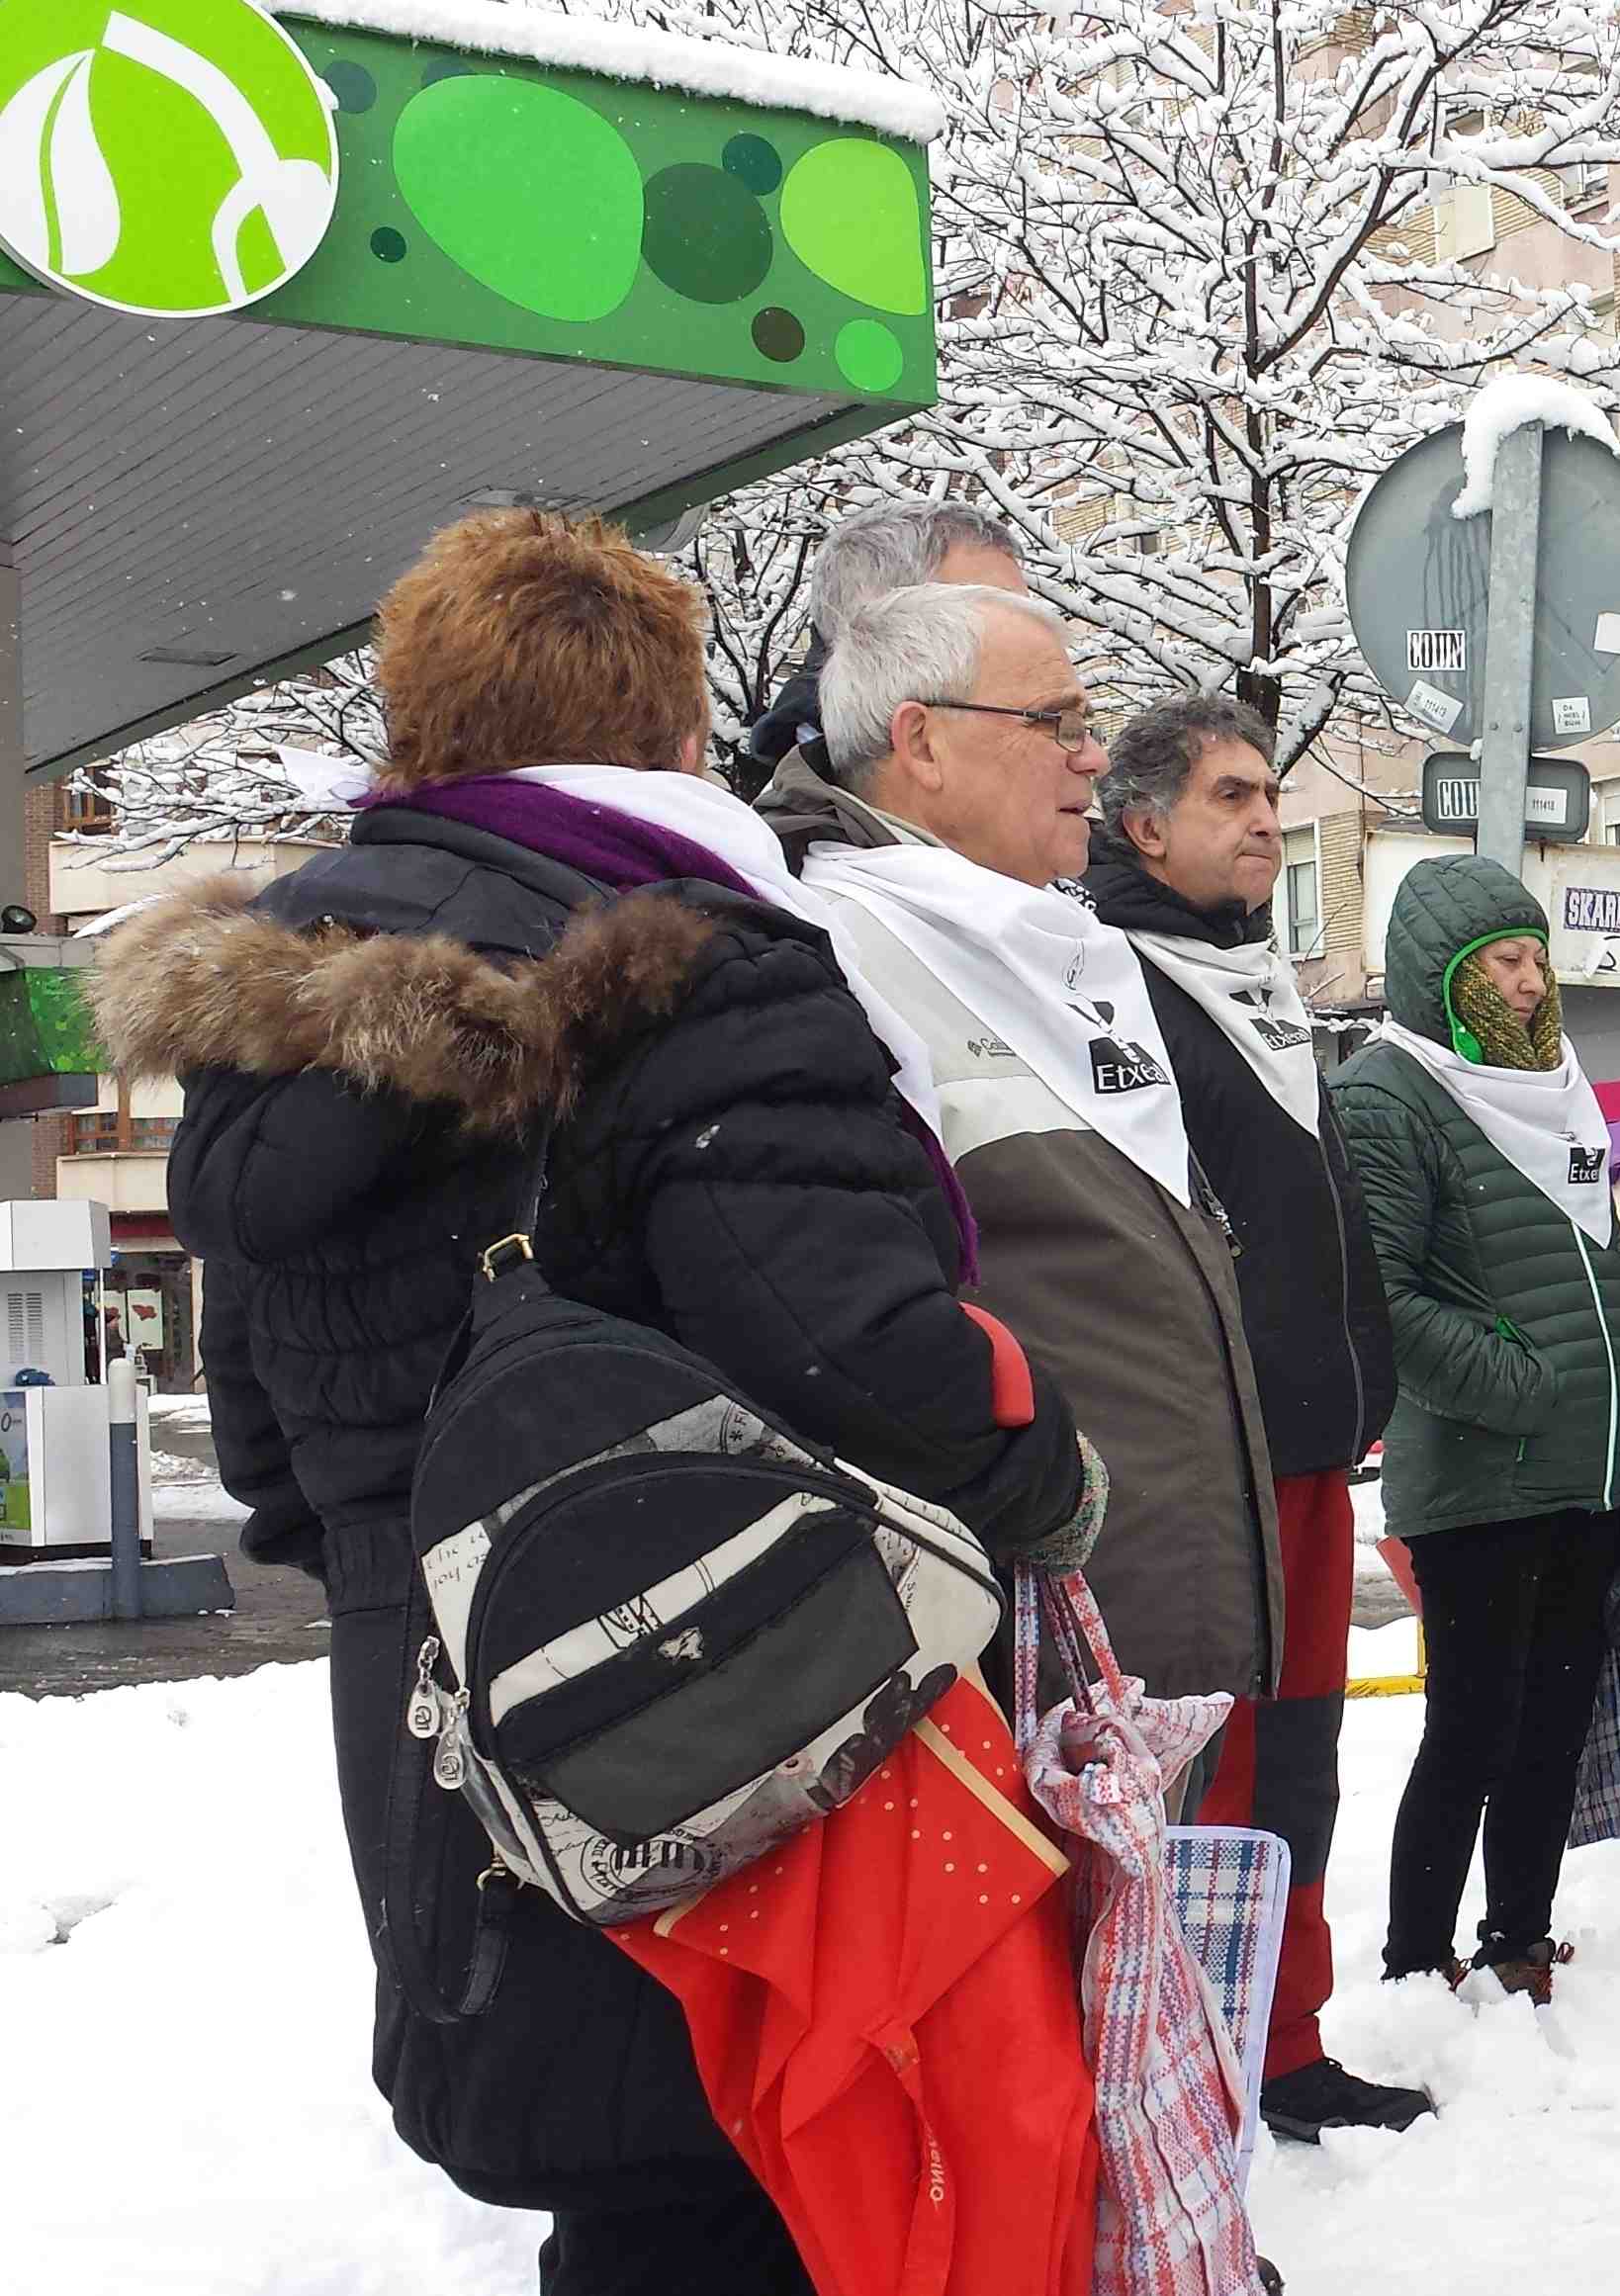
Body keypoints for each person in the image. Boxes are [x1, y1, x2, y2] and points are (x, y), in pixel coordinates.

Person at [95, 510, 1099, 2295]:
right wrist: (1050, 1475)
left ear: (417, 728)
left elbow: (260, 1438)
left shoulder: (266, 1015)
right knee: (765, 2180)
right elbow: (861, 1353)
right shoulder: (678, 964)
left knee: (622, 2194)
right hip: (735, 1731)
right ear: (673, 728)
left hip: (448, 1732)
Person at [763, 585, 1283, 1713]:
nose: (1092, 762)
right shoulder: (821, 946)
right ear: (922, 742)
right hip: (1005, 1655)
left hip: (1146, 1632)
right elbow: (844, 1329)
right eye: (1056, 724)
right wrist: (1042, 1509)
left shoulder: (1057, 942)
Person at [1079, 693, 1424, 2137]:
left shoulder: (1256, 979)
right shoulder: (1112, 977)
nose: (1266, 819)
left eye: (1269, 793)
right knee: (1211, 1773)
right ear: (1145, 826)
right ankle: (1194, 2052)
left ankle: (1286, 2040)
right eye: (1231, 797)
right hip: (1203, 1457)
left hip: (1305, 1444)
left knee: (1301, 1757)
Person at [1331, 856, 1620, 2000]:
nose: (1530, 986)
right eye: (1504, 965)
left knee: (1554, 1729)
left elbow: (1599, 1254)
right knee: (1471, 1733)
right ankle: (1416, 1962)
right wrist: (1521, 1384)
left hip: (1584, 1466)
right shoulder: (1390, 1091)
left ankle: (1519, 1938)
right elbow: (1380, 1292)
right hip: (1480, 1475)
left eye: (1537, 961)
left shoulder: (1558, 1086)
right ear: (1442, 977)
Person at [739, 500, 1034, 798]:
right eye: (998, 614)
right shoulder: (804, 837)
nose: (1037, 638)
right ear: (872, 630)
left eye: (1031, 615)